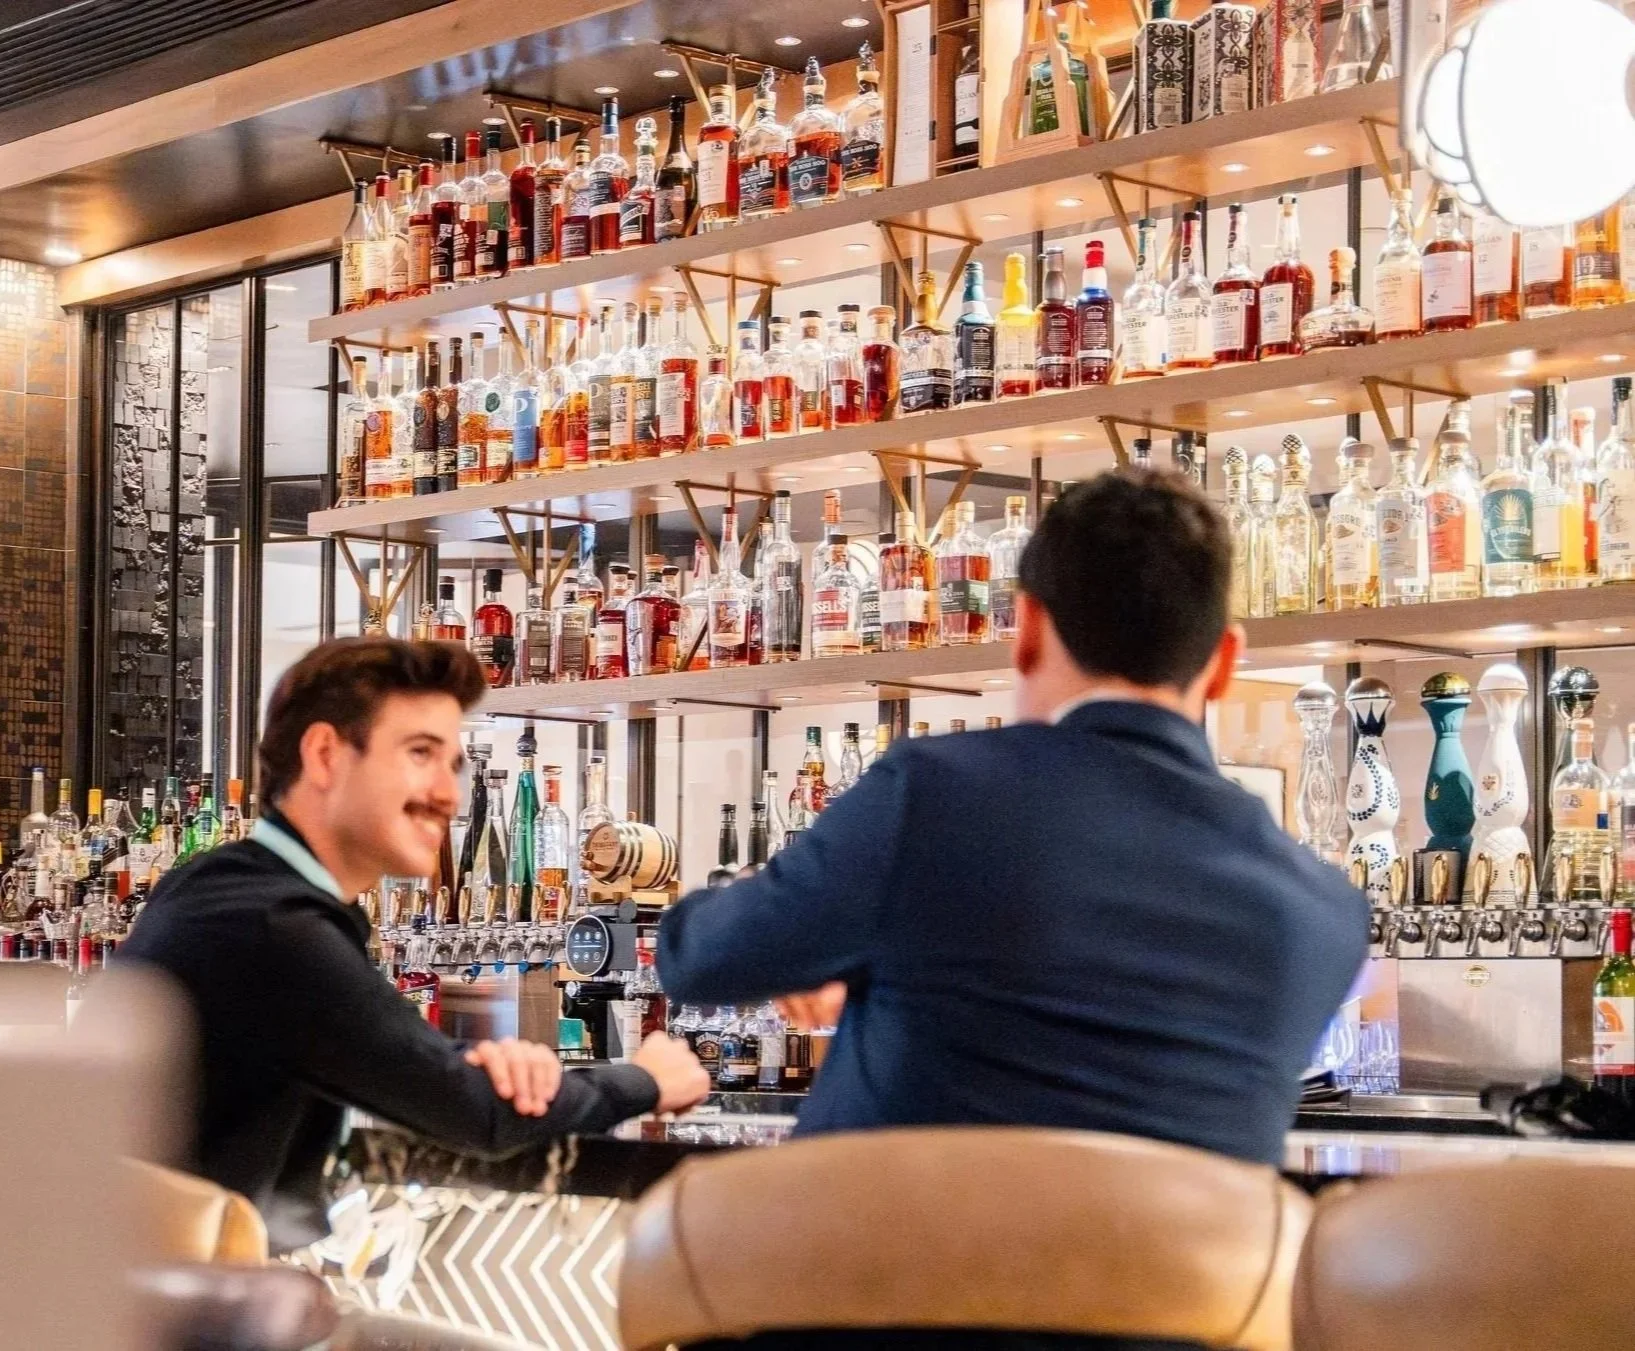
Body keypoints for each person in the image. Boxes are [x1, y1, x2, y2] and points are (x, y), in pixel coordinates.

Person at [657, 468, 1368, 1167]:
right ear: (1223, 663)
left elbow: (698, 958)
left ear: (1024, 627)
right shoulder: (1323, 913)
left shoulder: (928, 796)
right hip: (1179, 1285)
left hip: (889, 1274)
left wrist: (808, 915)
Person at [124, 637, 708, 1245]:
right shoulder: (272, 925)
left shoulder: (223, 887)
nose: (449, 795)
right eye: (420, 754)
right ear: (325, 754)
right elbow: (476, 1115)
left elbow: (398, 1063)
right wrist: (647, 1079)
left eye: (451, 764)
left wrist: (485, 1064)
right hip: (173, 1314)